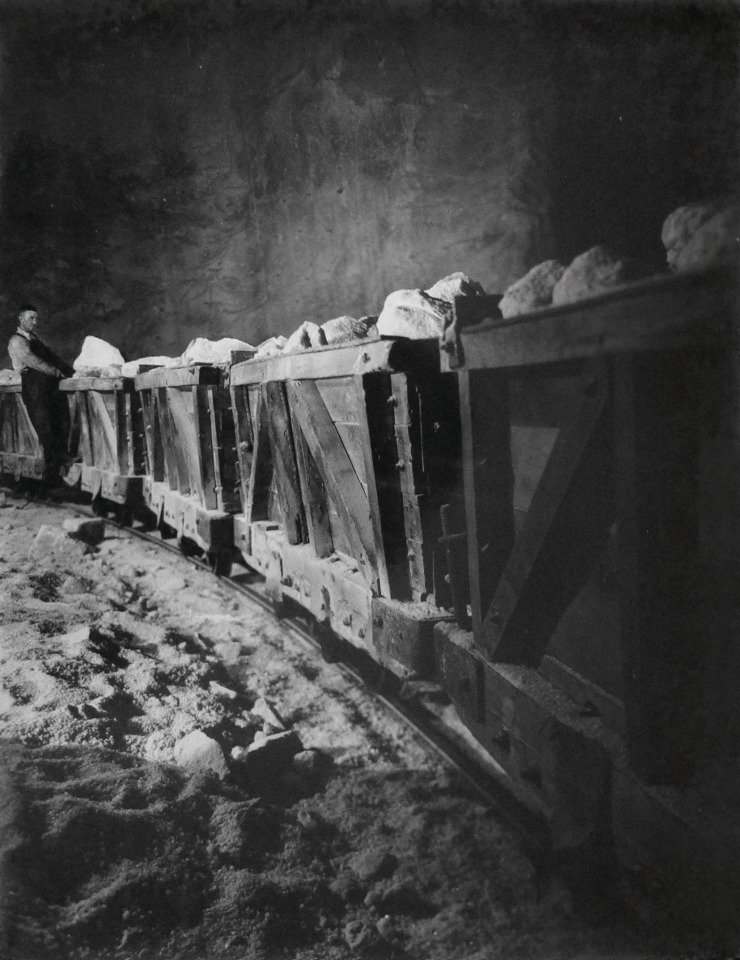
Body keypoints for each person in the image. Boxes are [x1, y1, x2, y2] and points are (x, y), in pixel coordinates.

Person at [7, 303, 74, 486]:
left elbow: (51, 357)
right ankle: (50, 475)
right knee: (45, 426)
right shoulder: (17, 341)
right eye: (31, 318)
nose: (35, 322)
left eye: (36, 318)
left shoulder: (35, 339)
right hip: (34, 385)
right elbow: (33, 361)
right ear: (21, 319)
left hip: (47, 385)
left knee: (60, 420)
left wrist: (70, 371)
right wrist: (56, 371)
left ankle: (58, 466)